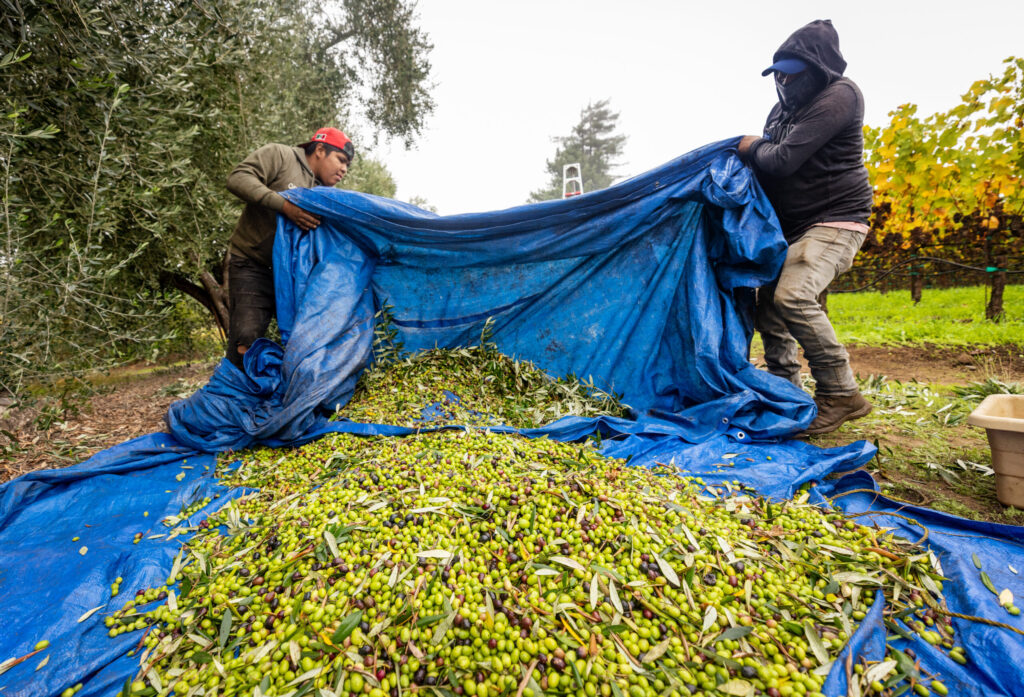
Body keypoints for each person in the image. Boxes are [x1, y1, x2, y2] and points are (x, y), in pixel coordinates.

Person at [737, 19, 873, 435]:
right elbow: (768, 166)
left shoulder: (839, 97)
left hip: (836, 219)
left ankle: (840, 393)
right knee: (770, 314)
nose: (782, 81)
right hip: (792, 227)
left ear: (817, 70)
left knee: (793, 296)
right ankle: (785, 392)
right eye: (777, 74)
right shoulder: (781, 111)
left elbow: (780, 160)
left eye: (792, 74)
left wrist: (749, 145)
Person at [224, 127, 354, 367]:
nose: (344, 169)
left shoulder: (327, 194)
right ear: (320, 149)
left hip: (294, 276)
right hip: (253, 264)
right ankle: (231, 396)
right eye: (341, 160)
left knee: (302, 340)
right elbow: (237, 178)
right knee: (247, 337)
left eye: (347, 165)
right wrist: (284, 206)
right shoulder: (280, 156)